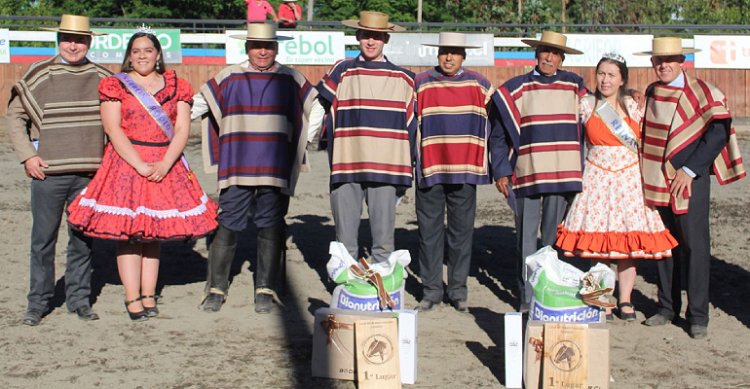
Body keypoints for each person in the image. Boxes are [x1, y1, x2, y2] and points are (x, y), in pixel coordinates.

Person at [66, 27, 219, 321]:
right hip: (126, 163)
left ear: (158, 54)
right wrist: (138, 164)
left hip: (166, 162)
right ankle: (131, 297)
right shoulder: (115, 85)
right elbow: (112, 128)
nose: (142, 56)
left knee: (153, 236)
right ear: (129, 56)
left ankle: (149, 294)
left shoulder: (178, 86)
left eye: (147, 50)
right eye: (136, 51)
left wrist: (165, 163)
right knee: (130, 234)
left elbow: (183, 129)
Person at [192, 23, 317, 314]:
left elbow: (316, 109)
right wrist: (167, 123)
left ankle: (266, 288)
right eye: (256, 46)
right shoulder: (229, 76)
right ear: (247, 47)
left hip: (275, 167)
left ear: (276, 47)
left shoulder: (291, 78)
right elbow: (199, 103)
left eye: (268, 46)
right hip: (238, 165)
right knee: (227, 223)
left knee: (271, 224)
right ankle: (216, 288)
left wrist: (299, 143)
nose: (263, 51)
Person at [635, 37, 745, 339]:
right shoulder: (652, 91)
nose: (664, 65)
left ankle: (698, 316)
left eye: (670, 60)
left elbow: (718, 134)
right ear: (652, 63)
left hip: (690, 182)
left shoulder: (704, 91)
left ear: (682, 61)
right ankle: (667, 308)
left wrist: (689, 169)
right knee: (664, 247)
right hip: (657, 180)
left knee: (695, 247)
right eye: (659, 60)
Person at [6, 14, 112, 326]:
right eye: (67, 38)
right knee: (42, 241)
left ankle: (79, 300)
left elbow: (118, 122)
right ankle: (37, 303)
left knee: (82, 240)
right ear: (58, 40)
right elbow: (14, 117)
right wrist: (28, 156)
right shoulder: (39, 73)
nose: (73, 45)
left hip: (90, 173)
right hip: (48, 172)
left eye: (79, 39)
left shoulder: (103, 77)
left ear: (89, 42)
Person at [555, 53, 678, 321]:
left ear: (622, 79)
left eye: (611, 75)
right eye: (601, 74)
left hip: (629, 180)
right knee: (597, 243)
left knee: (626, 245)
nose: (605, 80)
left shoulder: (635, 106)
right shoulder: (586, 105)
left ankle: (625, 300)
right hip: (597, 179)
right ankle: (597, 297)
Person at [413, 32, 512, 313]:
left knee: (461, 234)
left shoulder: (480, 85)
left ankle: (457, 291)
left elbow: (499, 119)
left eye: (455, 52)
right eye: (445, 51)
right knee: (428, 233)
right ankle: (431, 290)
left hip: (466, 170)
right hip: (430, 168)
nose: (449, 57)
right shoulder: (420, 83)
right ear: (438, 53)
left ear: (463, 56)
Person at [490, 31, 587, 312]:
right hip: (527, 174)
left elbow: (599, 109)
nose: (549, 57)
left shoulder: (574, 86)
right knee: (525, 237)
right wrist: (501, 172)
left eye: (555, 53)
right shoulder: (516, 89)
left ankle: (548, 289)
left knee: (551, 239)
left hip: (560, 174)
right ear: (536, 54)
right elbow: (497, 136)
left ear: (562, 58)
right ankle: (526, 295)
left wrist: (631, 96)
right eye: (545, 51)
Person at [314, 11, 416, 265]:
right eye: (366, 36)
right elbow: (320, 105)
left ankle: (381, 291)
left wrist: (409, 167)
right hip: (347, 165)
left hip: (387, 168)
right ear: (357, 37)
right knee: (345, 242)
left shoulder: (405, 79)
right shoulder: (343, 69)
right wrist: (303, 142)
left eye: (377, 37)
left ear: (386, 40)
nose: (371, 42)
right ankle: (347, 290)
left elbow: (414, 127)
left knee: (383, 243)